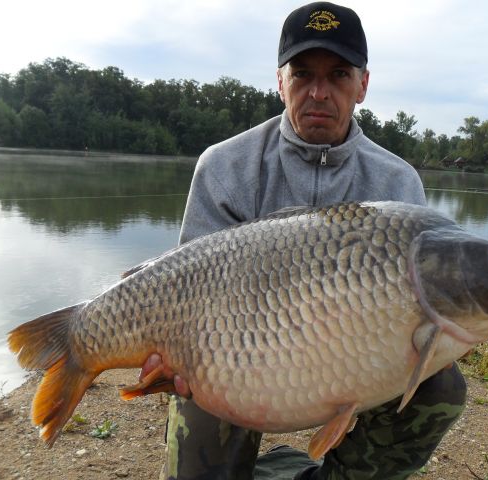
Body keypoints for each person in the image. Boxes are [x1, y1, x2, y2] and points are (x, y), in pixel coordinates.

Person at [140, 2, 467, 479]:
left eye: (338, 75)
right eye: (302, 74)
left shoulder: (398, 184)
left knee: (440, 384)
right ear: (280, 81)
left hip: (362, 358)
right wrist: (171, 351)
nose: (319, 92)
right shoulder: (224, 167)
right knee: (197, 376)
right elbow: (187, 289)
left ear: (363, 85)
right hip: (238, 355)